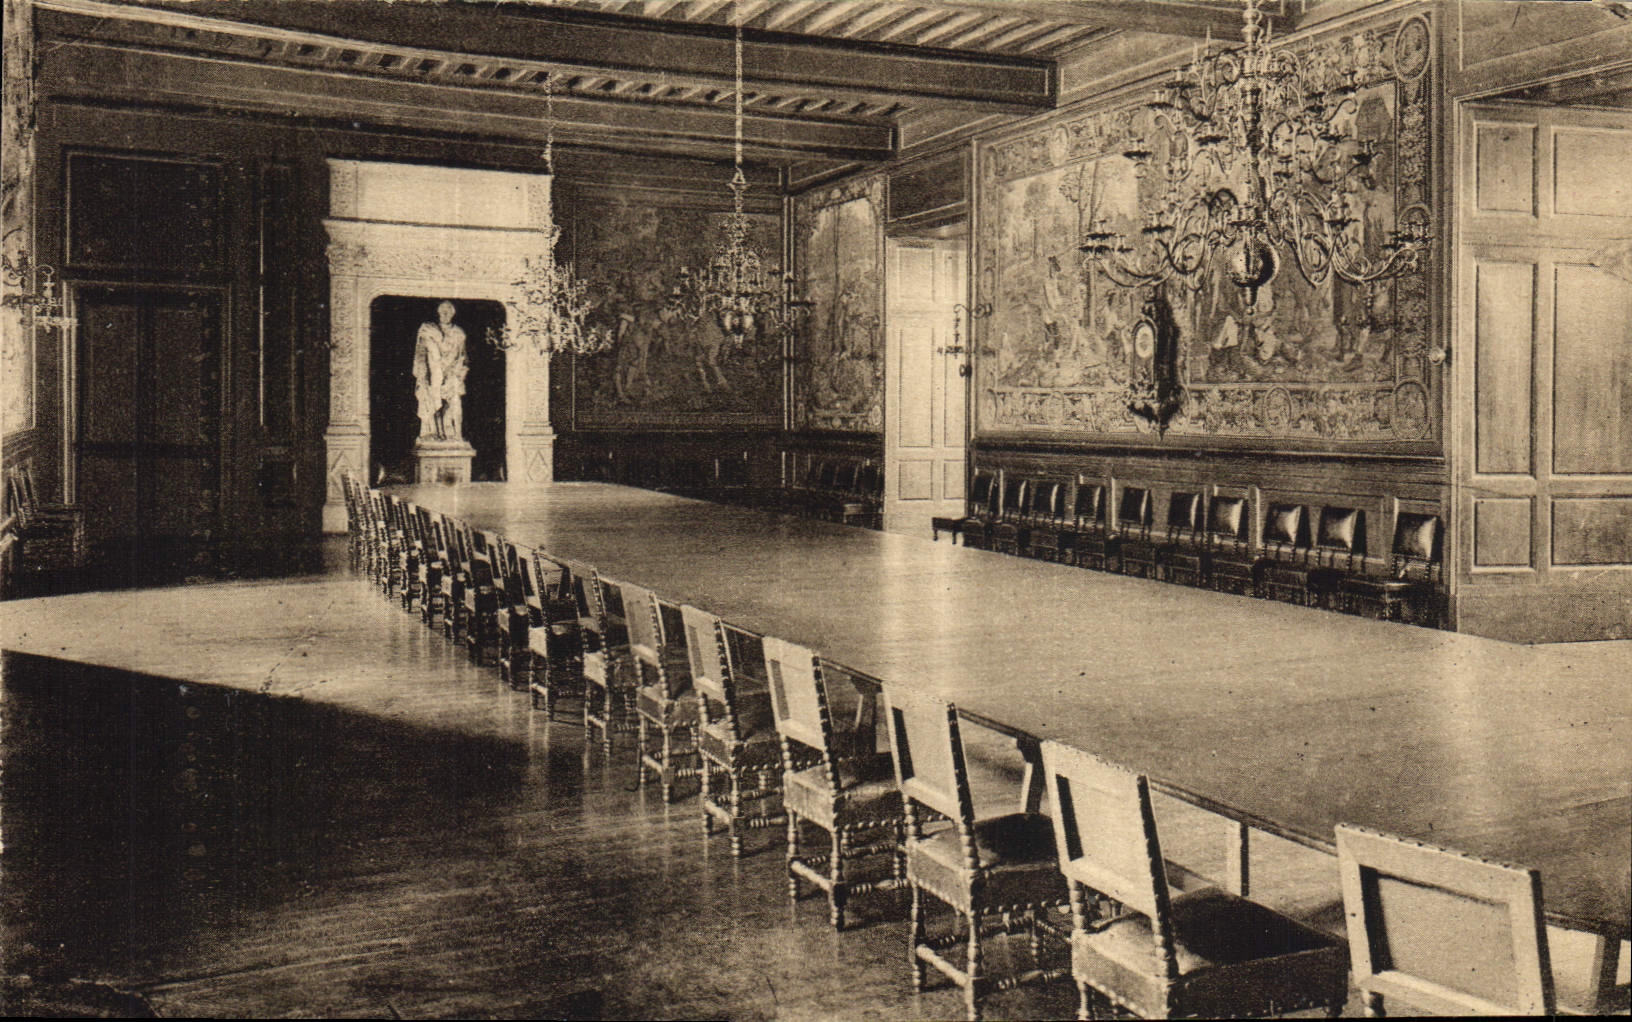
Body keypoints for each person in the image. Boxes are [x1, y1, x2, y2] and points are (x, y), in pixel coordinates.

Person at [413, 300, 467, 441]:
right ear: (438, 312)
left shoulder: (459, 334)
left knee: (455, 404)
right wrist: (422, 376)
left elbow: (463, 357)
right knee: (433, 404)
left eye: (448, 311)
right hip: (433, 374)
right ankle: (435, 433)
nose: (445, 313)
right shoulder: (428, 330)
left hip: (452, 375)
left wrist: (458, 373)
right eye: (442, 310)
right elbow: (420, 356)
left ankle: (456, 435)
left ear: (453, 313)